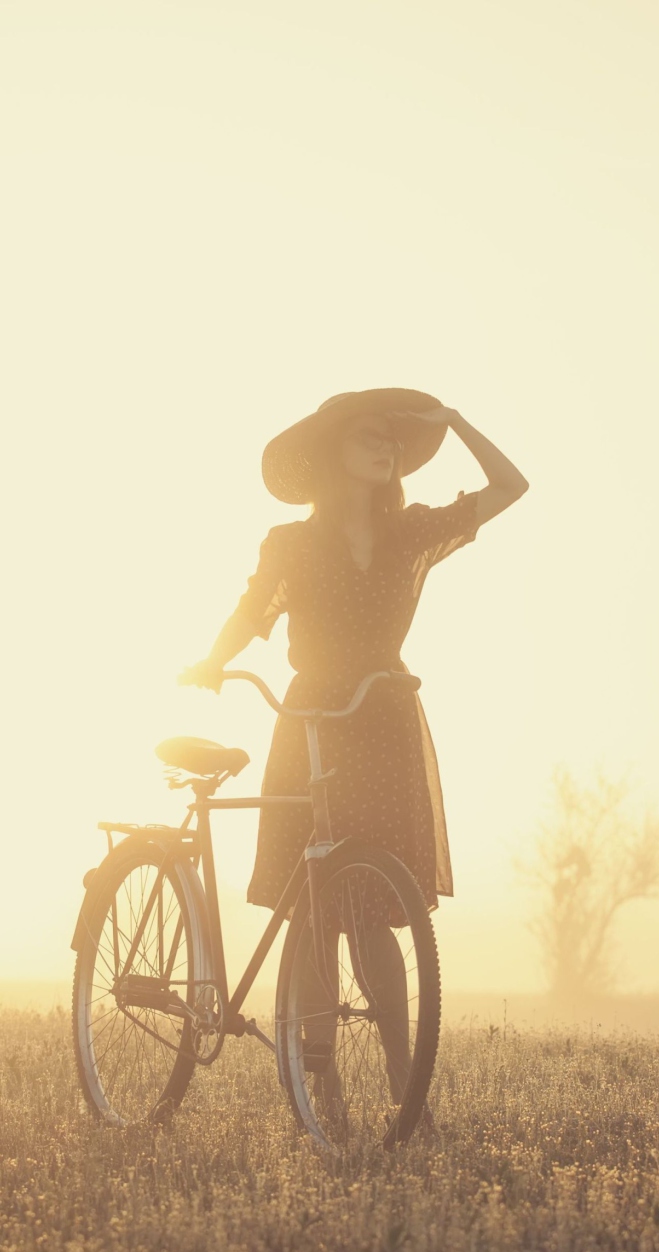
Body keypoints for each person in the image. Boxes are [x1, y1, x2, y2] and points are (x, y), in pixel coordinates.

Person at [186, 387, 529, 1114]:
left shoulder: (412, 533)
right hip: (313, 715)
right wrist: (214, 660)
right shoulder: (292, 543)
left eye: (393, 442)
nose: (386, 448)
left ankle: (408, 1088)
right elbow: (254, 610)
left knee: (376, 906)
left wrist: (459, 422)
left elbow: (510, 486)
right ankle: (324, 1083)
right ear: (333, 451)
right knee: (314, 909)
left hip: (385, 716)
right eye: (368, 437)